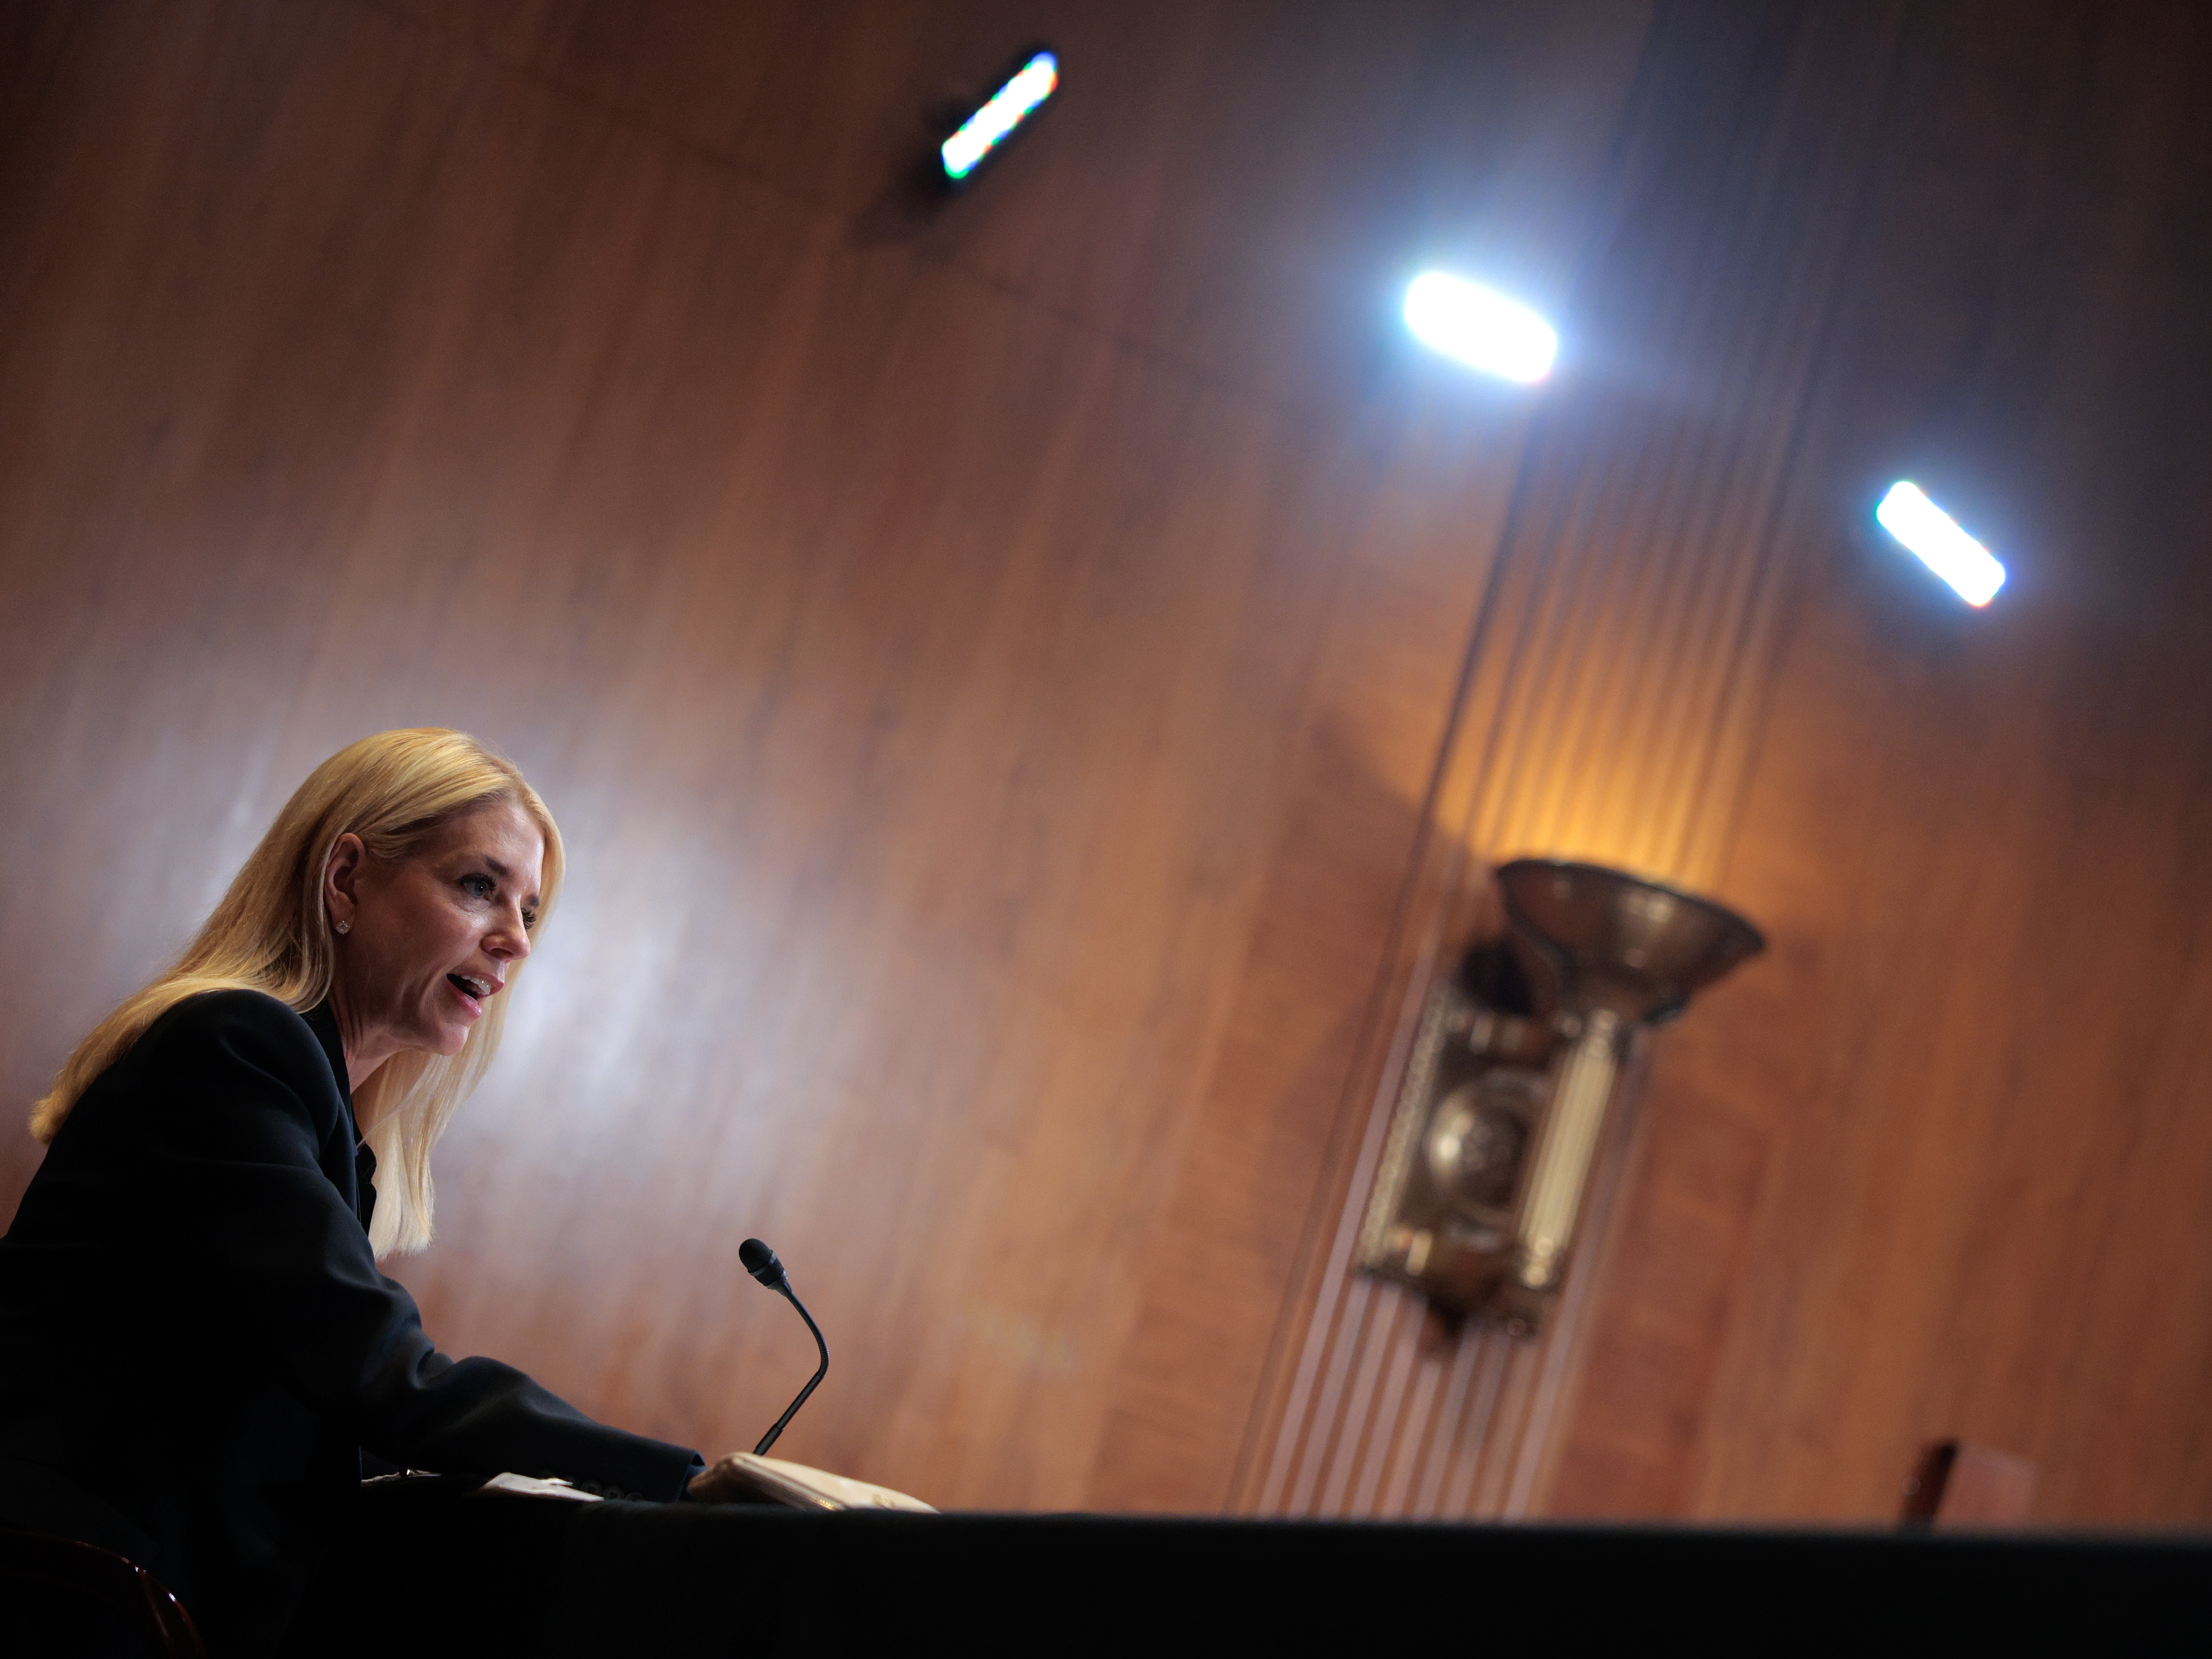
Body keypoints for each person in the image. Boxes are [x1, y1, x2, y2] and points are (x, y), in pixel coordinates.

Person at [0, 729, 707, 1655]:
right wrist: (688, 1487)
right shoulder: (232, 1052)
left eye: (532, 911)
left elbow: (311, 1415)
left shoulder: (321, 1120)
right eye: (479, 886)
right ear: (346, 879)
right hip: (73, 1602)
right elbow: (376, 1374)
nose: (517, 941)